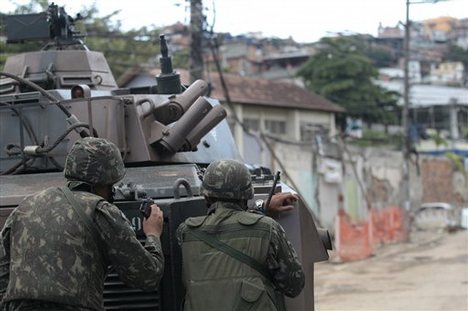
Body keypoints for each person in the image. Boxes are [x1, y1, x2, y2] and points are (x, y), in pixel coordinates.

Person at [0, 137, 164, 310]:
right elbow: (148, 276)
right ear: (106, 182)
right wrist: (153, 233)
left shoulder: (26, 206)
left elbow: (3, 275)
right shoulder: (100, 210)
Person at [177, 159, 305, 311]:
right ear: (247, 195)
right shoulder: (267, 229)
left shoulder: (186, 232)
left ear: (205, 196)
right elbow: (293, 285)